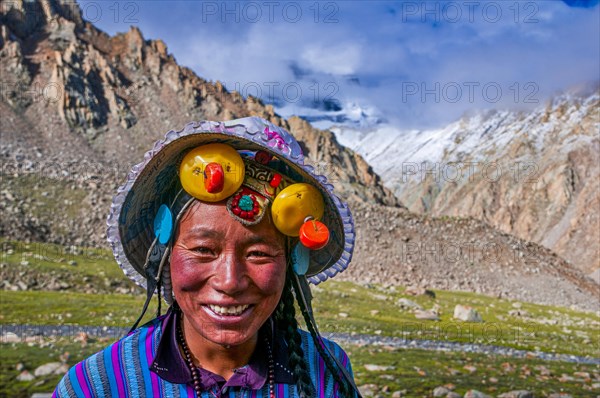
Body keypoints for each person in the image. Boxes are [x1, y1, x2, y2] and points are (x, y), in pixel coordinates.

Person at [53, 117, 361, 397]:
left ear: (291, 262)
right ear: (166, 253)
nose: (229, 282)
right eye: (203, 250)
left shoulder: (327, 373)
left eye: (258, 253)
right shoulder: (98, 385)